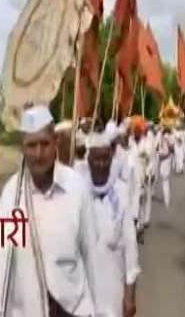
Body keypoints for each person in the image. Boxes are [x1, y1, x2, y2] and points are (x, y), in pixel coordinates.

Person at [0, 104, 101, 317]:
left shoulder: (76, 188)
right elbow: (1, 263)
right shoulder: (11, 195)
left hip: (72, 310)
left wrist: (100, 311)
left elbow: (92, 256)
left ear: (56, 142)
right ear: (22, 147)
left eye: (44, 144)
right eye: (31, 145)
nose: (38, 153)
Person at [75, 126, 140, 317]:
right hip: (83, 292)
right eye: (97, 159)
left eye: (106, 159)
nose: (102, 164)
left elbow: (130, 246)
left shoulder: (120, 192)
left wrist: (130, 294)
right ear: (89, 160)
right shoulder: (78, 192)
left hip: (113, 289)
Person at [127, 116, 148, 242]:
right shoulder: (129, 143)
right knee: (131, 204)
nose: (136, 132)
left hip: (141, 177)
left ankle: (139, 228)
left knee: (139, 203)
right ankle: (133, 230)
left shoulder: (146, 143)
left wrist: (148, 173)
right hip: (130, 180)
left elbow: (150, 158)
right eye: (134, 130)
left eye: (138, 130)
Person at [157, 124, 176, 208]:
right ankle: (166, 199)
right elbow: (156, 147)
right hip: (161, 159)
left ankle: (166, 200)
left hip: (166, 159)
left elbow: (172, 149)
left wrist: (167, 155)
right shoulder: (159, 135)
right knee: (163, 179)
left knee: (165, 179)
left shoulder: (168, 136)